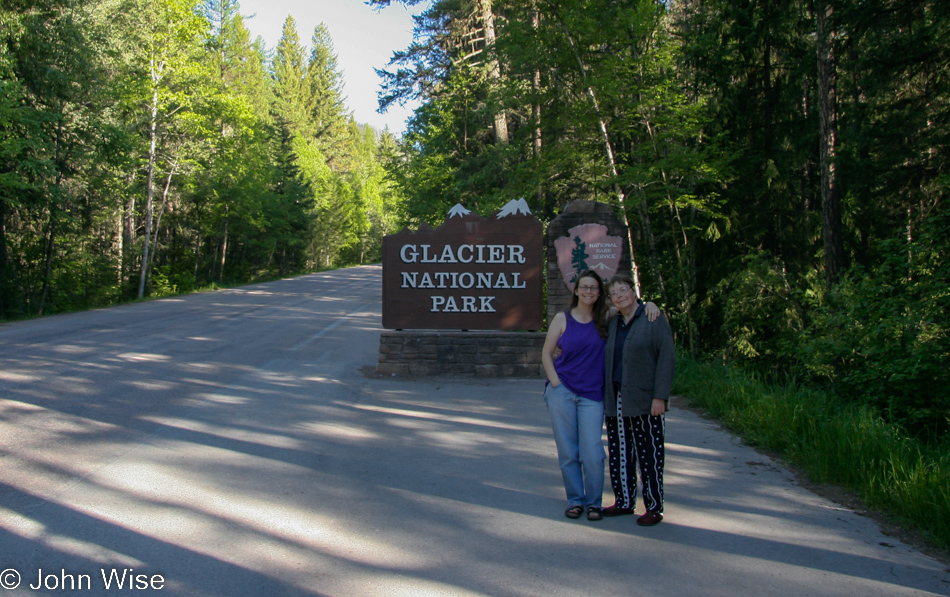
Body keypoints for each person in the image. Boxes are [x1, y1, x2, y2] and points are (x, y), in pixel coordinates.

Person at [541, 270, 658, 521]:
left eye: (594, 288)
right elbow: (546, 353)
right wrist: (555, 383)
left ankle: (594, 502)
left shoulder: (607, 316)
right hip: (562, 392)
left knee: (592, 452)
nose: (589, 292)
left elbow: (631, 308)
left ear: (599, 292)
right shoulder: (563, 319)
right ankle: (576, 501)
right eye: (584, 287)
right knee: (568, 452)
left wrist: (650, 304)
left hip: (593, 395)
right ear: (576, 290)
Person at [601, 274, 675, 526]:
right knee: (620, 452)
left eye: (623, 290)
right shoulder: (613, 322)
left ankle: (654, 506)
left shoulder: (654, 319)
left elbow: (666, 359)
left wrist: (660, 396)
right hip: (616, 398)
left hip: (645, 399)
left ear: (633, 292)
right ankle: (623, 501)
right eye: (614, 293)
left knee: (650, 454)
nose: (620, 295)